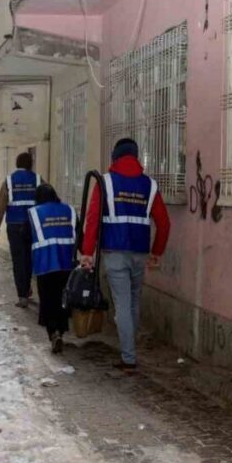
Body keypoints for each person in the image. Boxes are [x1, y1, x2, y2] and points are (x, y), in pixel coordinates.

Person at [80, 138, 171, 370]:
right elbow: (164, 222)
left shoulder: (106, 182)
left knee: (122, 305)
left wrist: (87, 252)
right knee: (133, 302)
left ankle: (129, 357)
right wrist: (156, 252)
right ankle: (130, 349)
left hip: (114, 253)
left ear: (115, 156)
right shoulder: (149, 185)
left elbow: (92, 220)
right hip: (139, 253)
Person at [28, 183, 76, 354]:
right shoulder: (69, 210)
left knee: (48, 299)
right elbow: (79, 235)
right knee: (62, 298)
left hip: (45, 263)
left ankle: (53, 332)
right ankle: (61, 331)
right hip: (66, 263)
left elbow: (28, 239)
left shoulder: (34, 213)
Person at [0, 152, 41, 308]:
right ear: (30, 164)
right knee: (30, 259)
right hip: (33, 226)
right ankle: (27, 289)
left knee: (18, 260)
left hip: (14, 226)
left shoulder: (9, 181)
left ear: (17, 163)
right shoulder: (38, 180)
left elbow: (0, 205)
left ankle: (23, 296)